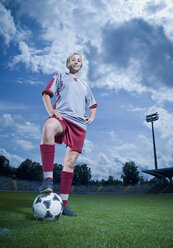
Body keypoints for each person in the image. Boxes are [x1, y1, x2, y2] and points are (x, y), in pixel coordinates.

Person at [39, 53, 97, 216]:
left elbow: (93, 104)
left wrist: (91, 116)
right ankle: (48, 180)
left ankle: (63, 205)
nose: (76, 61)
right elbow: (46, 94)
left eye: (79, 60)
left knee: (70, 163)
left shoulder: (85, 85)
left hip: (79, 125)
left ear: (81, 64)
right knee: (48, 126)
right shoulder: (60, 76)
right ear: (68, 63)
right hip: (62, 117)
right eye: (73, 59)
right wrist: (51, 111)